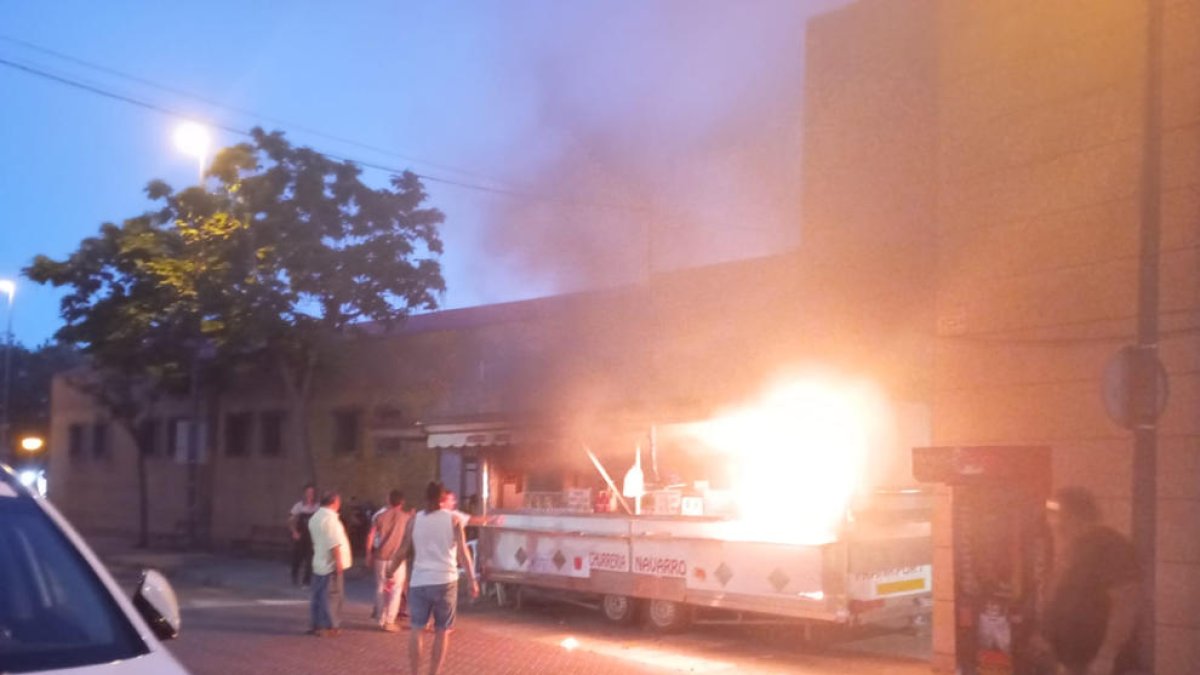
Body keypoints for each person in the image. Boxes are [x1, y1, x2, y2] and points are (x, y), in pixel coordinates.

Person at [1039, 486, 1141, 675]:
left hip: (1096, 662)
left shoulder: (1111, 546)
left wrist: (1106, 656)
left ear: (1075, 515)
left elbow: (1126, 604)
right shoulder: (1074, 548)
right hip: (1072, 659)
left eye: (1056, 514)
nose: (1051, 522)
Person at [391, 482, 479, 675]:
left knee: (417, 629)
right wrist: (472, 579)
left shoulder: (414, 521)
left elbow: (403, 550)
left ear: (425, 497)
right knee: (442, 631)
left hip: (419, 581)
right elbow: (463, 552)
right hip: (445, 581)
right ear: (442, 499)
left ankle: (415, 672)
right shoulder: (454, 519)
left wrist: (390, 570)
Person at [307, 491, 351, 637]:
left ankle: (316, 623)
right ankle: (330, 625)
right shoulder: (331, 520)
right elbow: (334, 543)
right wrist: (338, 562)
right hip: (330, 563)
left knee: (318, 595)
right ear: (334, 502)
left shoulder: (315, 517)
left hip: (318, 562)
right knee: (333, 595)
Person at [366, 489, 410, 631]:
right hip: (397, 558)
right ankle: (390, 621)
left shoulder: (380, 517)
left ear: (389, 500)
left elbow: (371, 536)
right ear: (402, 502)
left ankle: (380, 617)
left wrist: (368, 553)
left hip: (381, 556)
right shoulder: (406, 518)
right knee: (396, 589)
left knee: (380, 586)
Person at [288, 483, 319, 587]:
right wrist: (294, 532)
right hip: (301, 536)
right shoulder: (299, 506)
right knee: (297, 557)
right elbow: (291, 520)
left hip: (312, 537)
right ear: (304, 493)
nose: (310, 495)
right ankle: (294, 575)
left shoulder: (317, 507)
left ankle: (307, 581)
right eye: (308, 492)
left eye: (312, 493)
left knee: (310, 559)